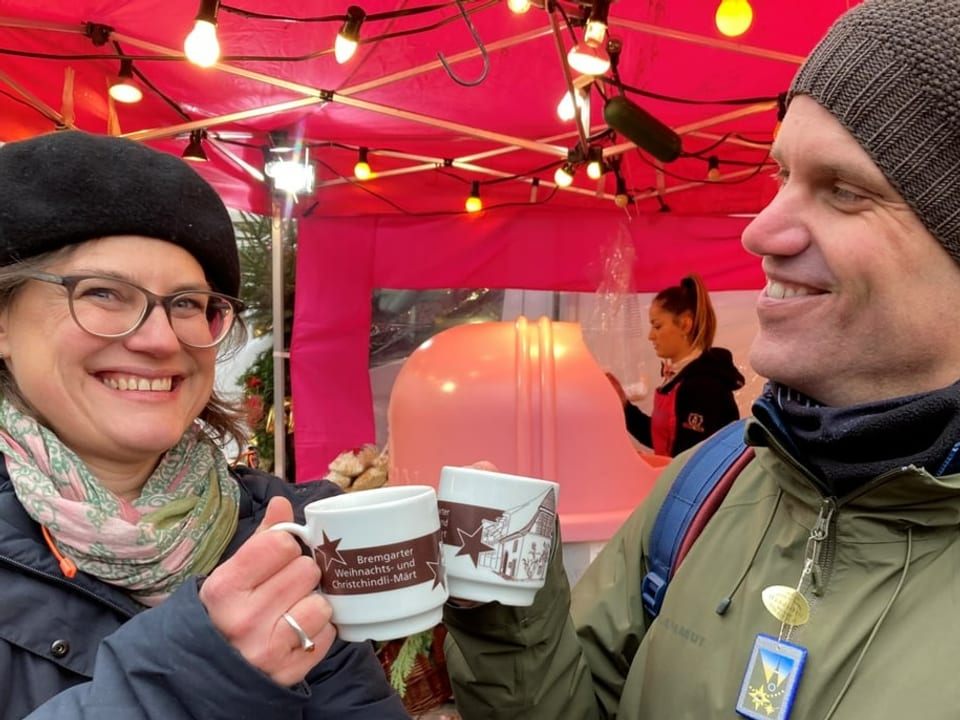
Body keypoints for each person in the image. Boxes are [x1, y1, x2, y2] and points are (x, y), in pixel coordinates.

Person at [441, 0, 960, 717]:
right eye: (781, 175)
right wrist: (502, 604)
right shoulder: (706, 487)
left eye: (843, 191)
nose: (760, 231)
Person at [0, 131, 407, 719]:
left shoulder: (278, 530)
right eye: (105, 293)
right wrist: (192, 681)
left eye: (188, 304)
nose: (161, 339)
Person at [606, 273, 745, 456]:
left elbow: (691, 458)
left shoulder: (704, 386)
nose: (650, 336)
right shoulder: (680, 378)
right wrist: (624, 406)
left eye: (657, 326)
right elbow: (662, 437)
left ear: (685, 325)